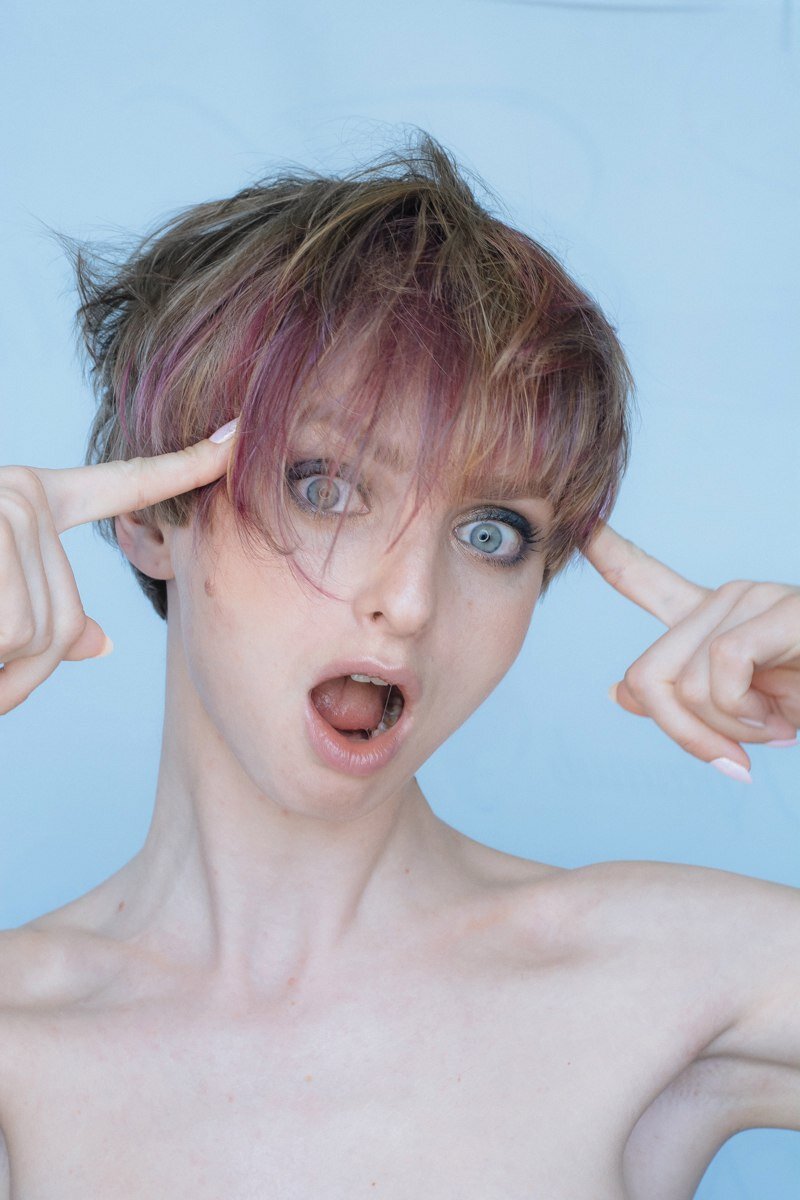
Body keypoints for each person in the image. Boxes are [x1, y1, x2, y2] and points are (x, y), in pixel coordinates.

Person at [0, 134, 797, 1199]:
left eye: (490, 532)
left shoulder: (660, 980)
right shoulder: (20, 1045)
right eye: (325, 487)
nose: (411, 601)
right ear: (151, 515)